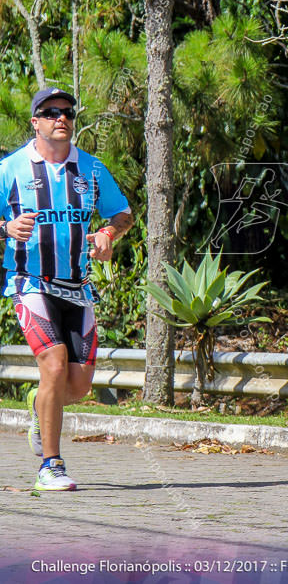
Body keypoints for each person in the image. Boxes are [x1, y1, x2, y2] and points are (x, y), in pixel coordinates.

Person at [4, 87, 133, 491]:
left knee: (76, 386)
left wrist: (109, 233)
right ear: (35, 122)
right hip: (30, 283)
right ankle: (50, 466)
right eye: (51, 112)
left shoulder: (92, 170)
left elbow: (123, 213)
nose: (62, 118)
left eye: (68, 112)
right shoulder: (10, 169)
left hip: (77, 287)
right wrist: (5, 228)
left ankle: (38, 403)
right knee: (56, 367)